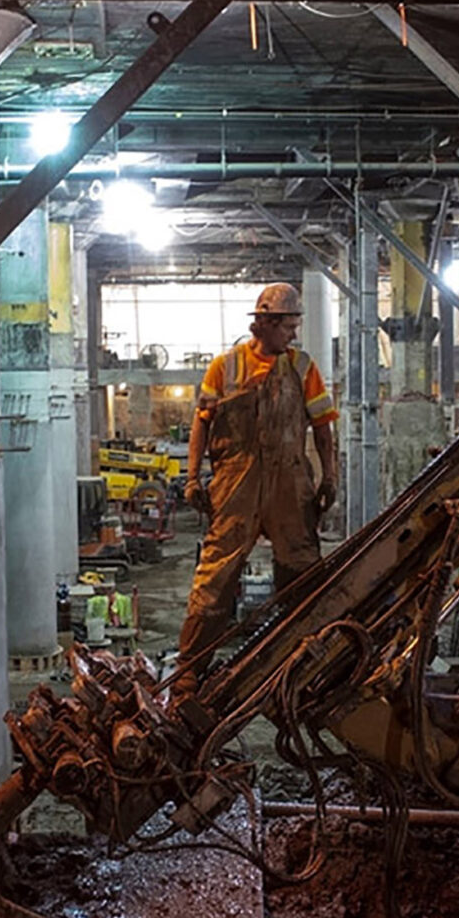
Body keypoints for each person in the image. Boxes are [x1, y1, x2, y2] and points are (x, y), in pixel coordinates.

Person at [175, 282, 338, 693]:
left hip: (289, 481)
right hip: (237, 484)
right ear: (262, 323)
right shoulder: (225, 367)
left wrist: (330, 476)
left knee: (302, 574)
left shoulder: (304, 368)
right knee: (215, 580)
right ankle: (189, 671)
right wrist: (193, 477)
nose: (294, 334)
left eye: (296, 325)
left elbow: (323, 429)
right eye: (287, 325)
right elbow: (201, 423)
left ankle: (306, 659)